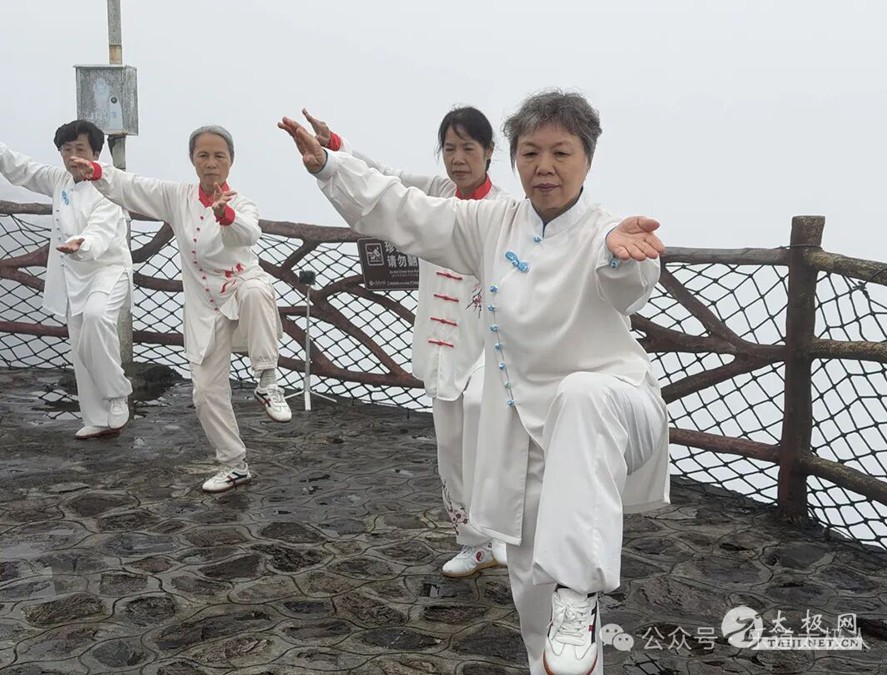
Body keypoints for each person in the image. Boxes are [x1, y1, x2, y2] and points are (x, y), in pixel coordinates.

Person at [279, 90, 670, 675]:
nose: (544, 166)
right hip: (527, 432)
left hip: (615, 415)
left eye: (561, 152)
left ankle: (580, 591)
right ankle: (557, 648)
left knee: (581, 395)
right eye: (530, 152)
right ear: (513, 159)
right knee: (531, 585)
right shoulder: (492, 223)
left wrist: (621, 259)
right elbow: (404, 209)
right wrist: (330, 168)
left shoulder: (605, 230)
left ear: (587, 159)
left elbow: (629, 287)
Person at [301, 106, 509, 577]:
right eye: (450, 149)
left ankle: (501, 530)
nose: (458, 159)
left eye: (468, 148)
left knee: (484, 421)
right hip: (441, 345)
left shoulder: (505, 208)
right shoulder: (435, 191)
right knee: (450, 447)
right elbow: (382, 179)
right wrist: (335, 149)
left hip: (489, 344)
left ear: (489, 152)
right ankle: (472, 541)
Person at [69, 125, 291, 493]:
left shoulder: (242, 203)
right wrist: (95, 171)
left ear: (231, 161)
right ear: (192, 160)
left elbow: (249, 233)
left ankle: (267, 379)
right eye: (203, 155)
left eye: (219, 155)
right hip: (204, 306)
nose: (211, 163)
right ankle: (233, 464)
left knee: (256, 290)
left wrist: (226, 216)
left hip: (240, 289)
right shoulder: (177, 197)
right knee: (205, 393)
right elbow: (133, 186)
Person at [0, 120, 132, 439]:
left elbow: (101, 230)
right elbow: (23, 169)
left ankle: (117, 394)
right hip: (73, 276)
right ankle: (97, 418)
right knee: (80, 343)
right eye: (66, 149)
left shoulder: (109, 184)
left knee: (96, 317)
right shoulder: (60, 179)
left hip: (108, 269)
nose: (73, 156)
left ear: (96, 153)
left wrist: (81, 244)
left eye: (80, 149)